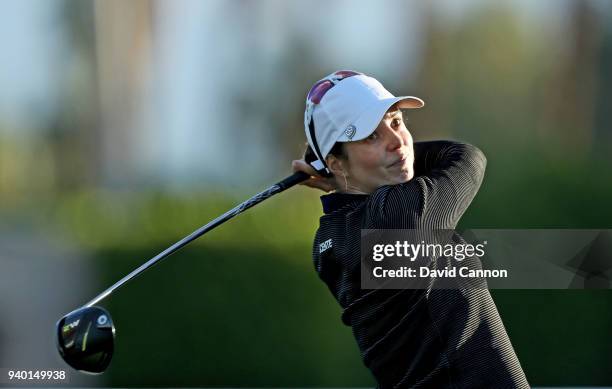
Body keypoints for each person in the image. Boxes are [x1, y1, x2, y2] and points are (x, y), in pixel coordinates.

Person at [292, 70, 530, 388]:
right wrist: (341, 172)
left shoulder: (328, 241)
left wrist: (339, 173)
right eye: (370, 136)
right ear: (336, 162)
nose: (396, 141)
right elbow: (466, 157)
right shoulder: (400, 217)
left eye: (395, 122)